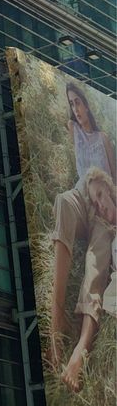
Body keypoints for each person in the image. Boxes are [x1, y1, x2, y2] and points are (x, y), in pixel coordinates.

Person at [49, 82, 116, 372]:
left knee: (95, 262)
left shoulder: (104, 139)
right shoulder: (72, 130)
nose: (76, 109)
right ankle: (56, 315)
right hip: (80, 194)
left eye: (79, 102)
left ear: (88, 104)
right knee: (62, 201)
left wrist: (109, 207)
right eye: (71, 103)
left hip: (101, 205)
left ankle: (81, 347)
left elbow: (114, 181)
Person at [62, 169, 117, 391]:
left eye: (101, 195)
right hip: (108, 246)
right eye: (95, 203)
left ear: (109, 188)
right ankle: (81, 349)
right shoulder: (101, 226)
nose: (101, 205)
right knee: (93, 264)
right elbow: (94, 270)